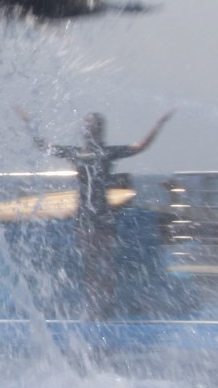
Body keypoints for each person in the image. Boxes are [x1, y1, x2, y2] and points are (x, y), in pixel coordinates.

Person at [14, 107, 174, 318]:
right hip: (84, 215)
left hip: (102, 214)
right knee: (89, 262)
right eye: (87, 125)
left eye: (93, 126)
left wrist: (159, 124)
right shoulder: (76, 153)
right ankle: (93, 305)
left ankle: (106, 304)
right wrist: (29, 122)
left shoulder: (106, 152)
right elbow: (43, 146)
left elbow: (140, 147)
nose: (89, 129)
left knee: (105, 261)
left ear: (100, 130)